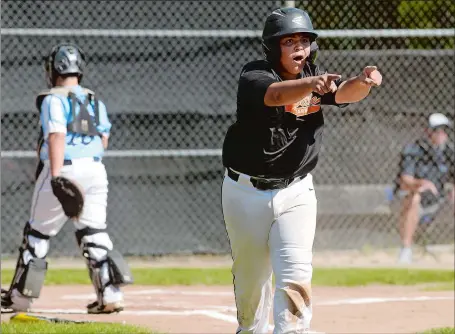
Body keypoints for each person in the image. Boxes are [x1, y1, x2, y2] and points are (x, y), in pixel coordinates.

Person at [221, 7, 382, 333]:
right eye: (289, 41)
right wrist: (312, 83)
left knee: (295, 274)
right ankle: (249, 328)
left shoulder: (313, 74)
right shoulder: (253, 75)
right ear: (271, 46)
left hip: (296, 192)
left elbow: (345, 92)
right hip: (245, 192)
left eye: (305, 41)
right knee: (251, 282)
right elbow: (276, 95)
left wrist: (363, 82)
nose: (299, 48)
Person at [1, 43, 133, 314]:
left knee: (38, 232)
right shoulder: (94, 100)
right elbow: (103, 139)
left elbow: (56, 135)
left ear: (55, 69)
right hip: (96, 170)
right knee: (93, 232)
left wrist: (57, 175)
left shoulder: (54, 99)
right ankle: (110, 294)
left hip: (64, 168)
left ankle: (20, 299)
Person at [395, 113, 454, 264]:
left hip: (438, 201)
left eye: (444, 130)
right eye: (438, 130)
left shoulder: (448, 152)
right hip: (413, 200)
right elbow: (405, 180)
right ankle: (406, 250)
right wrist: (421, 184)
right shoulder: (414, 150)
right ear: (428, 131)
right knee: (414, 197)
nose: (442, 134)